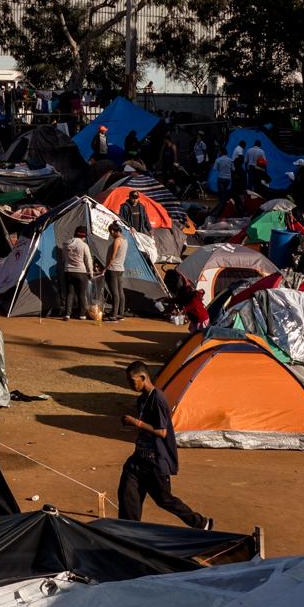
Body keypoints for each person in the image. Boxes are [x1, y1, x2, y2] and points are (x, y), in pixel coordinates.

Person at [118, 360, 211, 530]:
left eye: (132, 381)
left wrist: (135, 423)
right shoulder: (141, 400)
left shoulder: (158, 399)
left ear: (143, 377)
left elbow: (162, 431)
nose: (130, 385)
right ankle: (128, 532)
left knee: (164, 499)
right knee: (127, 496)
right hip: (138, 460)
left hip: (155, 462)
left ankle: (200, 523)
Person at [62, 225, 95, 320]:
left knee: (70, 293)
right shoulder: (84, 245)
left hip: (68, 271)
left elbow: (63, 258)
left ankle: (67, 314)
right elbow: (88, 260)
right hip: (81, 272)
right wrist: (90, 273)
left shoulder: (66, 244)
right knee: (81, 293)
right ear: (83, 236)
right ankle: (82, 314)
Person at [102, 222, 129, 323]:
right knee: (120, 292)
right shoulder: (125, 240)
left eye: (110, 232)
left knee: (115, 293)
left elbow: (112, 257)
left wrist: (105, 268)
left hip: (113, 269)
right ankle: (120, 314)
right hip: (120, 268)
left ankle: (113, 315)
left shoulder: (117, 241)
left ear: (113, 231)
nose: (110, 234)